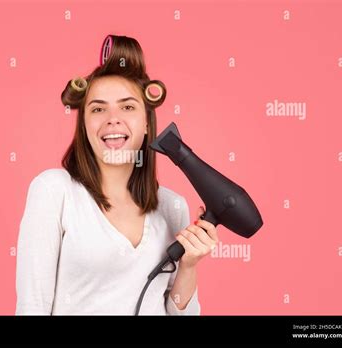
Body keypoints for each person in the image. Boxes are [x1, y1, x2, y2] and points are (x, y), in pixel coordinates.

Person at [15, 34, 219, 315]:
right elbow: (31, 307)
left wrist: (189, 264)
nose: (113, 118)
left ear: (147, 123)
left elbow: (181, 313)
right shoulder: (54, 192)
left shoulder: (173, 207)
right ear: (84, 125)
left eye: (127, 106)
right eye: (98, 108)